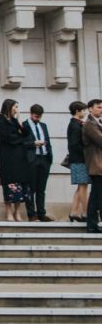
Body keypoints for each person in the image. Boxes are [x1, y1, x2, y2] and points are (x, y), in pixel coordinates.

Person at [0, 99, 35, 222]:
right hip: (8, 157)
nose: (17, 109)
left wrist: (20, 121)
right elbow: (7, 138)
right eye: (15, 106)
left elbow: (26, 133)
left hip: (21, 157)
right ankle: (9, 212)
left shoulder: (15, 121)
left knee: (22, 184)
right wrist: (21, 138)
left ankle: (17, 212)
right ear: (9, 107)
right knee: (10, 184)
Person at [23, 104, 55, 222]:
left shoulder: (43, 125)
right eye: (36, 116)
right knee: (30, 188)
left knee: (41, 189)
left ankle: (41, 213)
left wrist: (49, 157)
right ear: (31, 114)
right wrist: (34, 144)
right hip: (32, 159)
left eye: (40, 117)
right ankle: (31, 214)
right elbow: (21, 143)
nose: (38, 119)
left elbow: (48, 141)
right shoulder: (24, 125)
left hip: (44, 158)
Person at [67, 101, 89, 222]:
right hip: (79, 159)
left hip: (79, 159)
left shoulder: (77, 124)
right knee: (83, 186)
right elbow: (74, 144)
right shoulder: (75, 125)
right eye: (84, 110)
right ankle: (85, 212)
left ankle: (74, 212)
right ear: (77, 111)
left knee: (81, 186)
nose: (85, 112)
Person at [83, 98, 102, 233]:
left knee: (96, 195)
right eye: (99, 107)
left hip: (99, 165)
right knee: (97, 195)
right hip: (96, 165)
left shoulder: (97, 123)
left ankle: (92, 224)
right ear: (90, 108)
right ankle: (92, 223)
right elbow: (100, 140)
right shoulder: (89, 124)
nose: (101, 110)